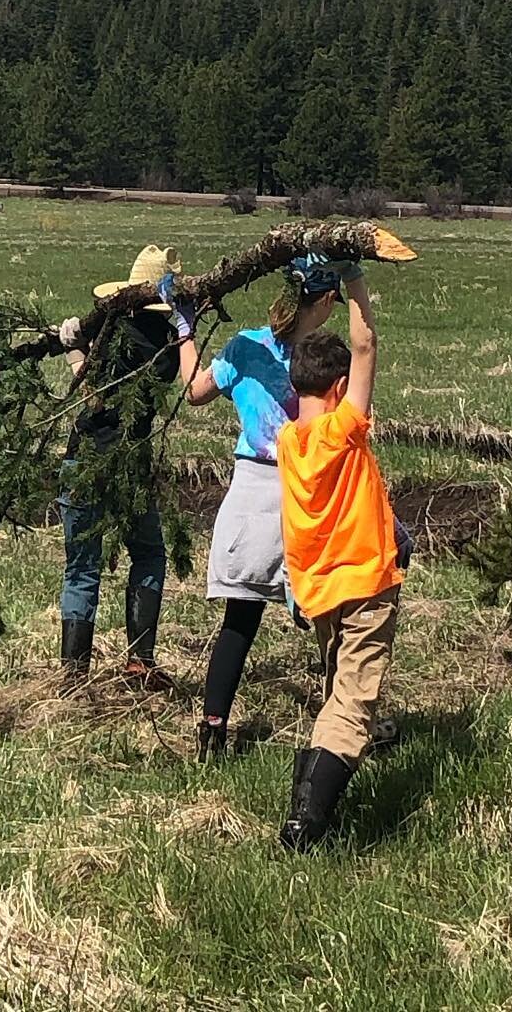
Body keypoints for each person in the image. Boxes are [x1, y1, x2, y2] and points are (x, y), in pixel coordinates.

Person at [172, 254, 362, 760]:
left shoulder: (245, 347)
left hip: (253, 494)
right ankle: (345, 726)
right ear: (324, 302)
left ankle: (213, 728)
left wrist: (184, 331)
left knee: (241, 617)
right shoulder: (323, 358)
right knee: (336, 615)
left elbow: (194, 392)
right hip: (312, 494)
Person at [276, 274, 403, 849]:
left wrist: (307, 304)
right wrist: (355, 278)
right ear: (340, 387)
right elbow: (365, 346)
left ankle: (319, 795)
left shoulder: (287, 440)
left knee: (336, 688)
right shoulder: (342, 431)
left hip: (316, 587)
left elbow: (310, 358)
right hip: (365, 579)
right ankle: (306, 824)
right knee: (352, 701)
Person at [56, 244, 182, 691]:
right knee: (147, 554)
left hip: (85, 457)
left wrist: (73, 349)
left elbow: (93, 393)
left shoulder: (111, 333)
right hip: (132, 462)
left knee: (82, 566)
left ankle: (73, 675)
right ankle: (140, 662)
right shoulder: (169, 345)